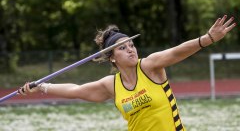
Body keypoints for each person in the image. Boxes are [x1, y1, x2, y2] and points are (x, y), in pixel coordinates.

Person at [19, 15, 236, 131]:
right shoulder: (111, 85)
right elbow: (76, 90)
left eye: (131, 44)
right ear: (112, 57)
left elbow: (176, 52)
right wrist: (42, 86)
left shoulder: (149, 66)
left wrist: (207, 39)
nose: (130, 49)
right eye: (122, 48)